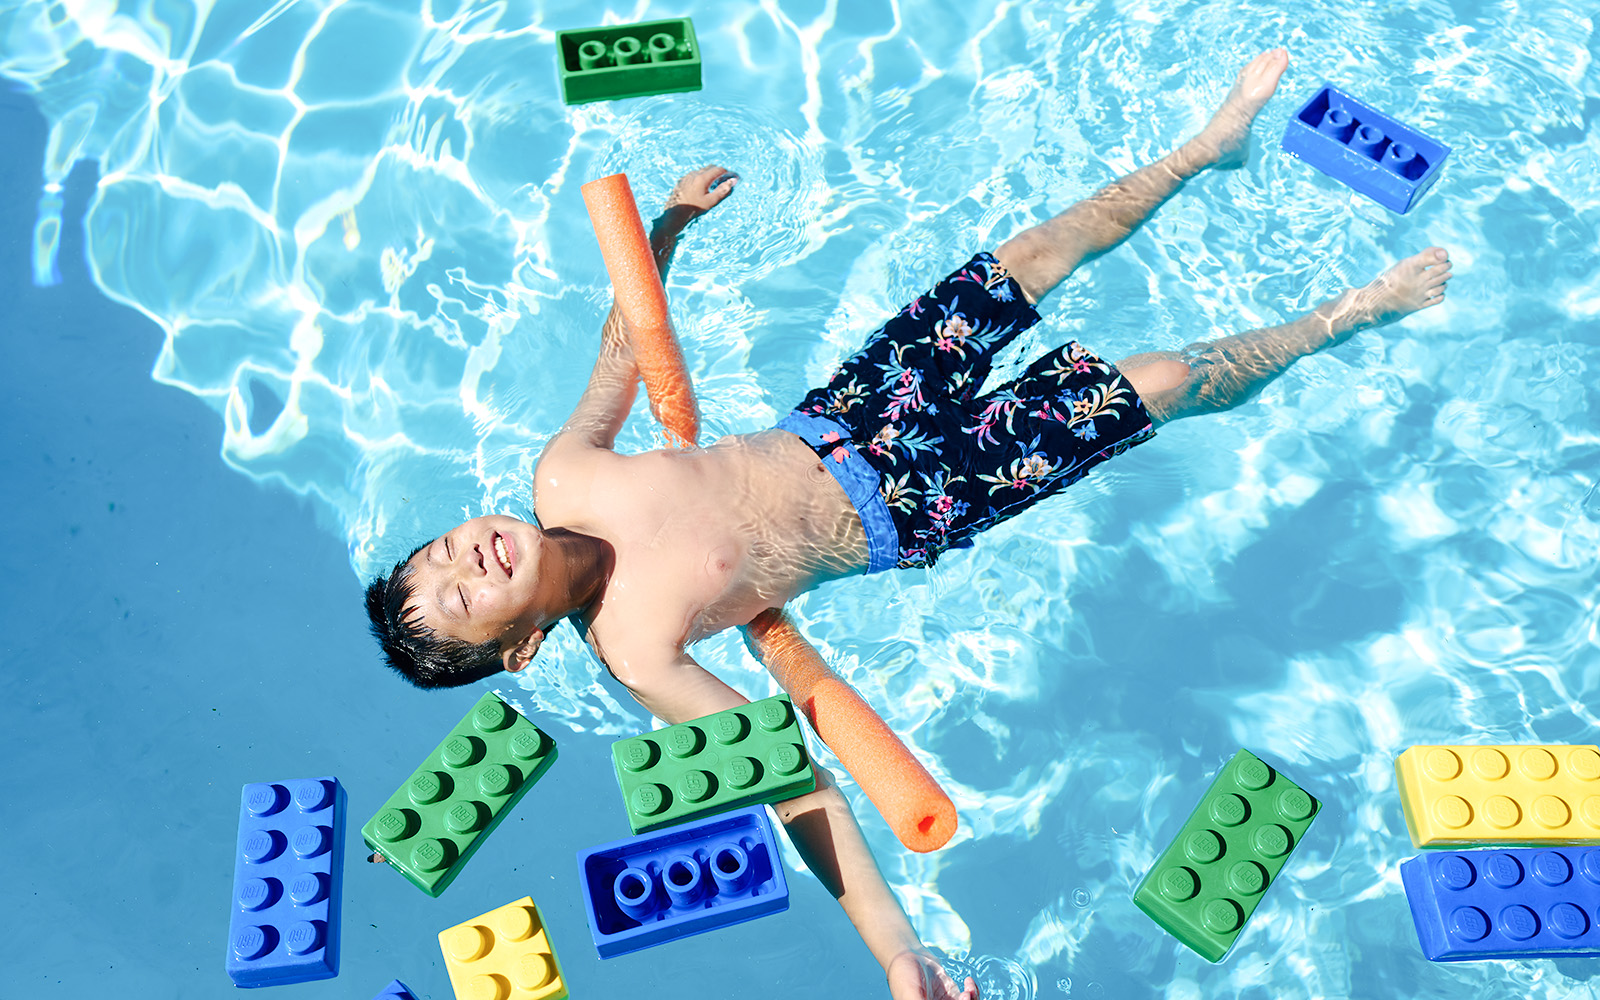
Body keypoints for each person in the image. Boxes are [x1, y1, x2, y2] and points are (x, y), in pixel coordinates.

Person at [365, 49, 1449, 1000]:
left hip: (846, 411)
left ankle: (1202, 147)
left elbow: (622, 351)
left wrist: (670, 226)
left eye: (441, 553)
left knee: (1033, 256)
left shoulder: (566, 474)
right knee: (1156, 377)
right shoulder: (638, 648)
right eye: (463, 597)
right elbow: (792, 783)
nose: (465, 557)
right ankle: (1345, 315)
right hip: (916, 500)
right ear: (517, 644)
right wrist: (895, 948)